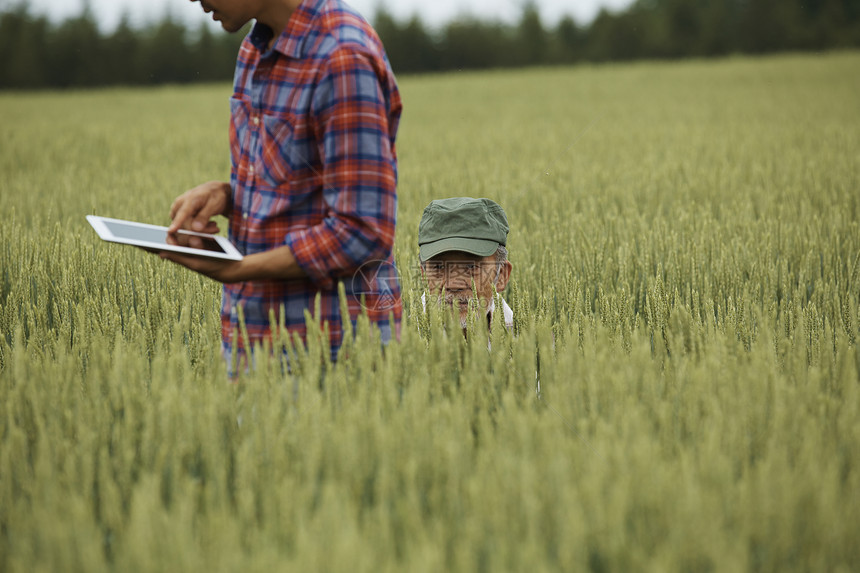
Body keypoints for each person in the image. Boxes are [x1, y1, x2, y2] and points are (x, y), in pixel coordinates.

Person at [161, 0, 402, 371]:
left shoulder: (342, 57)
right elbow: (296, 181)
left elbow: (362, 231)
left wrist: (239, 269)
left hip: (332, 353)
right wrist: (227, 196)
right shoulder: (254, 50)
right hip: (249, 338)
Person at [418, 197, 513, 334]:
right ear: (424, 275)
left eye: (471, 267)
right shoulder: (393, 343)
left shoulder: (538, 345)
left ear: (502, 275)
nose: (454, 284)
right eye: (439, 267)